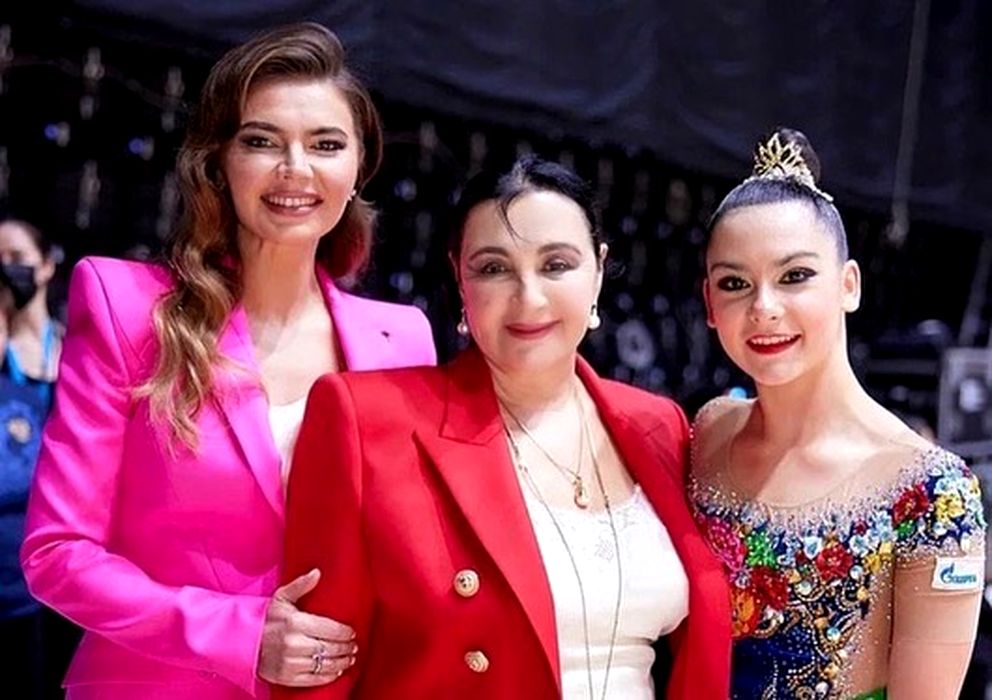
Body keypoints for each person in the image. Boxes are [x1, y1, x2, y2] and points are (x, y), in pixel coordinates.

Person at [20, 22, 436, 699]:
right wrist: (239, 633)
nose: (295, 168)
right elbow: (57, 554)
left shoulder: (403, 340)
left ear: (359, 165)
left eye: (326, 144)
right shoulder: (127, 307)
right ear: (218, 160)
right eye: (261, 141)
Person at [276, 156, 731, 700]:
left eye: (556, 264)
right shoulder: (366, 418)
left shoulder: (658, 424)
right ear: (459, 278)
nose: (528, 297)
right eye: (494, 268)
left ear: (599, 270)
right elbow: (317, 671)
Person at [690, 128, 986, 699]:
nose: (764, 308)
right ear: (709, 304)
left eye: (794, 276)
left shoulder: (931, 493)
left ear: (849, 285)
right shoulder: (708, 432)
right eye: (735, 283)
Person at [0, 219, 78, 700]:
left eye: (15, 256)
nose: (5, 268)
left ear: (47, 266)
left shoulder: (76, 351)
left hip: (61, 554)